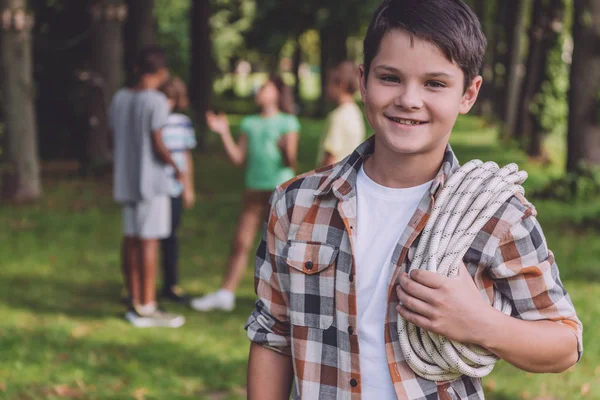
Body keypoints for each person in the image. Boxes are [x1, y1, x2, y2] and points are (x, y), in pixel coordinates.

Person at [245, 1, 583, 399]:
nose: (409, 99)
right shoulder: (296, 203)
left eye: (435, 84)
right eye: (390, 78)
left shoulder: (496, 214)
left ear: (468, 94)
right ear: (363, 79)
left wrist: (478, 323)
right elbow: (273, 334)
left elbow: (564, 344)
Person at [190, 76, 300, 312]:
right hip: (253, 191)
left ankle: (286, 301)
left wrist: (284, 149)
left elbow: (291, 161)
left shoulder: (288, 122)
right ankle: (225, 294)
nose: (258, 91)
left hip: (279, 191)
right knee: (240, 242)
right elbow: (239, 158)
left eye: (264, 87)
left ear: (276, 92)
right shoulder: (249, 123)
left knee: (281, 246)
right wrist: (223, 132)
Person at [109, 46, 185, 328]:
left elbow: (111, 135)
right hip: (151, 182)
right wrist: (175, 165)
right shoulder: (156, 101)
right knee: (150, 241)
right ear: (160, 72)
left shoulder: (119, 98)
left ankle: (133, 297)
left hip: (125, 179)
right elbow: (157, 141)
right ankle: (148, 305)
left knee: (130, 239)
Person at [159, 77, 197, 303]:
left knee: (171, 236)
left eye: (170, 98)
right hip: (156, 188)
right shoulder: (155, 122)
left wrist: (188, 187)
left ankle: (170, 284)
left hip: (174, 188)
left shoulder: (182, 123)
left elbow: (186, 156)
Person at [317, 60, 366, 167]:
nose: (326, 88)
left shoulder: (337, 117)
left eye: (329, 82)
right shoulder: (356, 113)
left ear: (341, 84)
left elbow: (330, 158)